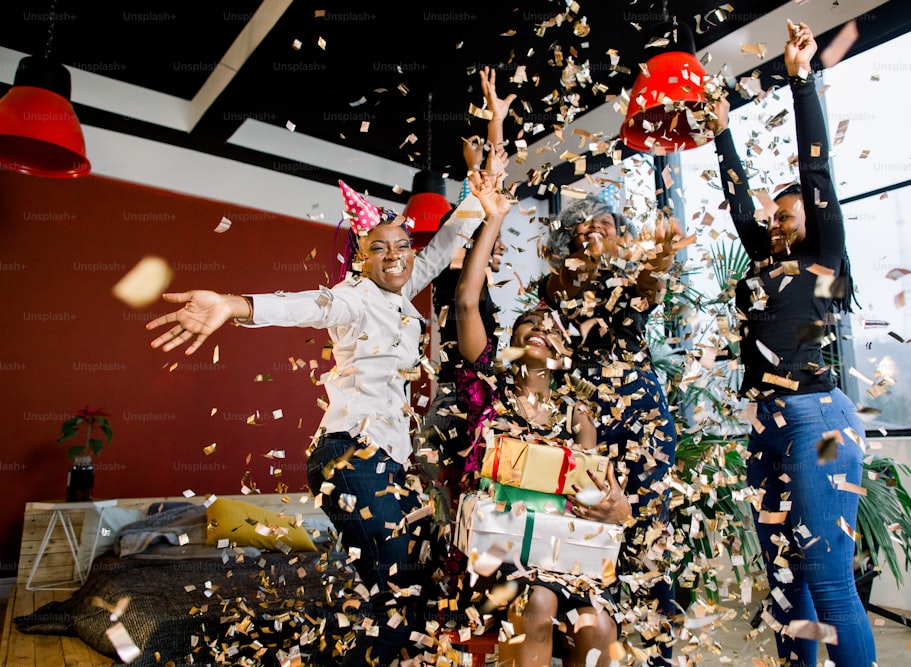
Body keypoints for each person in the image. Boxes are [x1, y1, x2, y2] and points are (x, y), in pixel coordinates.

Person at [145, 179, 485, 666]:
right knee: (401, 592)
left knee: (407, 591)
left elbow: (445, 245)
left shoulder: (401, 289)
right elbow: (302, 305)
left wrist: (481, 197)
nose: (394, 256)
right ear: (360, 259)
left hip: (383, 463)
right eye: (378, 249)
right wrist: (233, 304)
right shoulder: (352, 297)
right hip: (350, 458)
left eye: (402, 246)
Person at [705, 19, 875, 667]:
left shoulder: (826, 258)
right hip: (765, 424)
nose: (777, 222)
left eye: (789, 213)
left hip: (816, 418)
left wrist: (800, 82)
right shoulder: (765, 262)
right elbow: (738, 204)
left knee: (828, 582)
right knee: (784, 587)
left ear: (813, 217)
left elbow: (818, 169)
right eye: (775, 217)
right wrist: (721, 127)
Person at [455, 165, 630, 667]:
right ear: (508, 344)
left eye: (549, 325)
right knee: (539, 604)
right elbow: (467, 303)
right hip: (500, 553)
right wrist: (493, 219)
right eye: (526, 322)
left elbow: (596, 490)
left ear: (564, 351)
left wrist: (617, 505)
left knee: (598, 626)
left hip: (565, 552)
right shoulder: (490, 389)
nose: (537, 326)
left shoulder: (577, 413)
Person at [537, 192, 681, 661]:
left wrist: (662, 252)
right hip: (585, 420)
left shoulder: (630, 278)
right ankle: (597, 636)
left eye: (608, 225)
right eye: (586, 225)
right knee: (592, 524)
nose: (597, 231)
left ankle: (660, 651)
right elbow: (565, 298)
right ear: (569, 235)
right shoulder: (556, 285)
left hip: (642, 418)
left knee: (649, 532)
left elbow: (652, 285)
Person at [418, 66, 514, 519]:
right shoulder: (448, 271)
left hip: (474, 385)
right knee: (448, 489)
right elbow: (478, 203)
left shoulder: (470, 276)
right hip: (457, 390)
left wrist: (495, 124)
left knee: (467, 490)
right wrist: (476, 168)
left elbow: (489, 191)